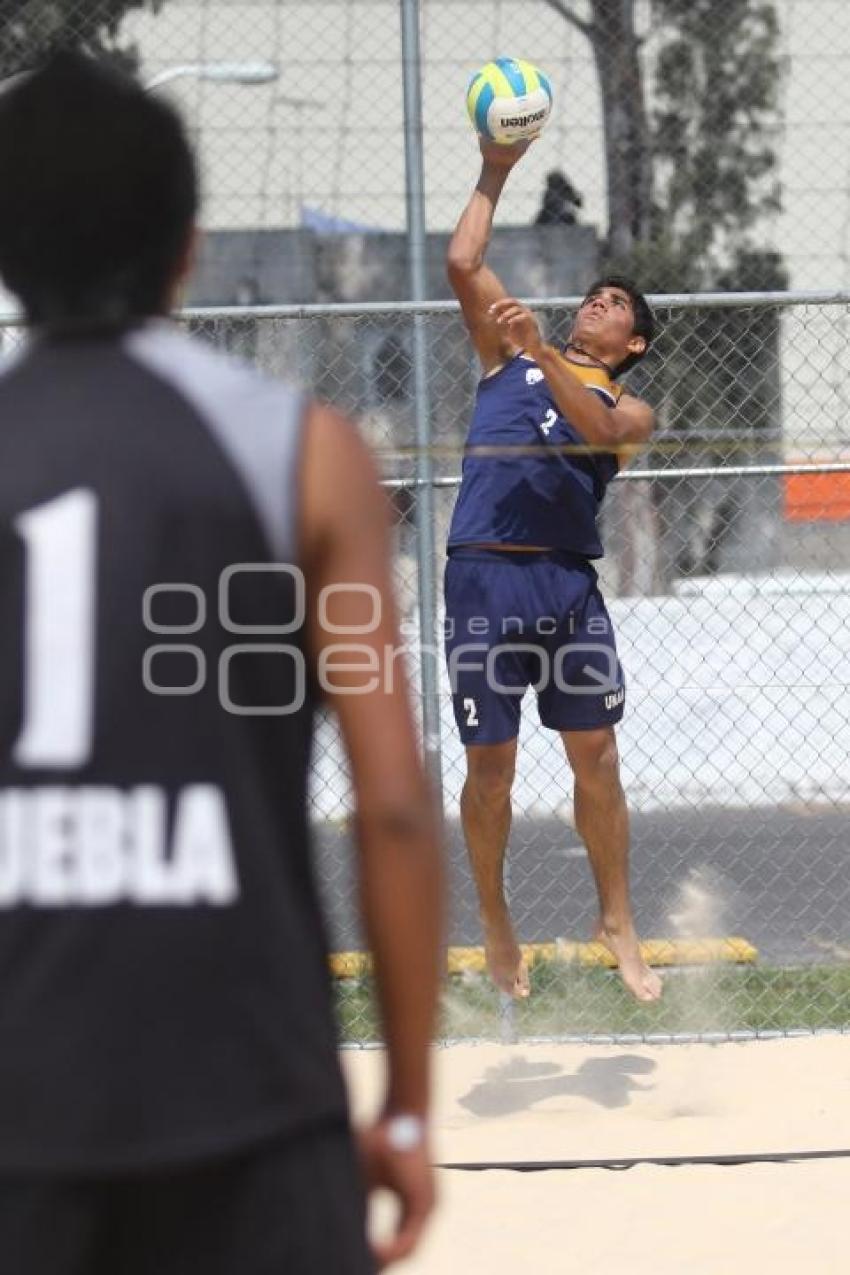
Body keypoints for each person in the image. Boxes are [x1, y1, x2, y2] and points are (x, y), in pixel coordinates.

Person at [0, 52, 443, 1274]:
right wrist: (403, 1106)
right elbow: (395, 808)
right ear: (189, 246)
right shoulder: (307, 454)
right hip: (250, 1096)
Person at [445, 136, 661, 1004]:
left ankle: (617, 916)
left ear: (632, 341)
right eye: (594, 293)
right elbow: (464, 259)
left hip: (565, 587)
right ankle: (497, 921)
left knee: (596, 756)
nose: (595, 300)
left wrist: (540, 353)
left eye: (613, 303)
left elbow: (598, 436)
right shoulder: (509, 351)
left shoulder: (627, 404)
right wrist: (497, 166)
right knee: (489, 772)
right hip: (484, 578)